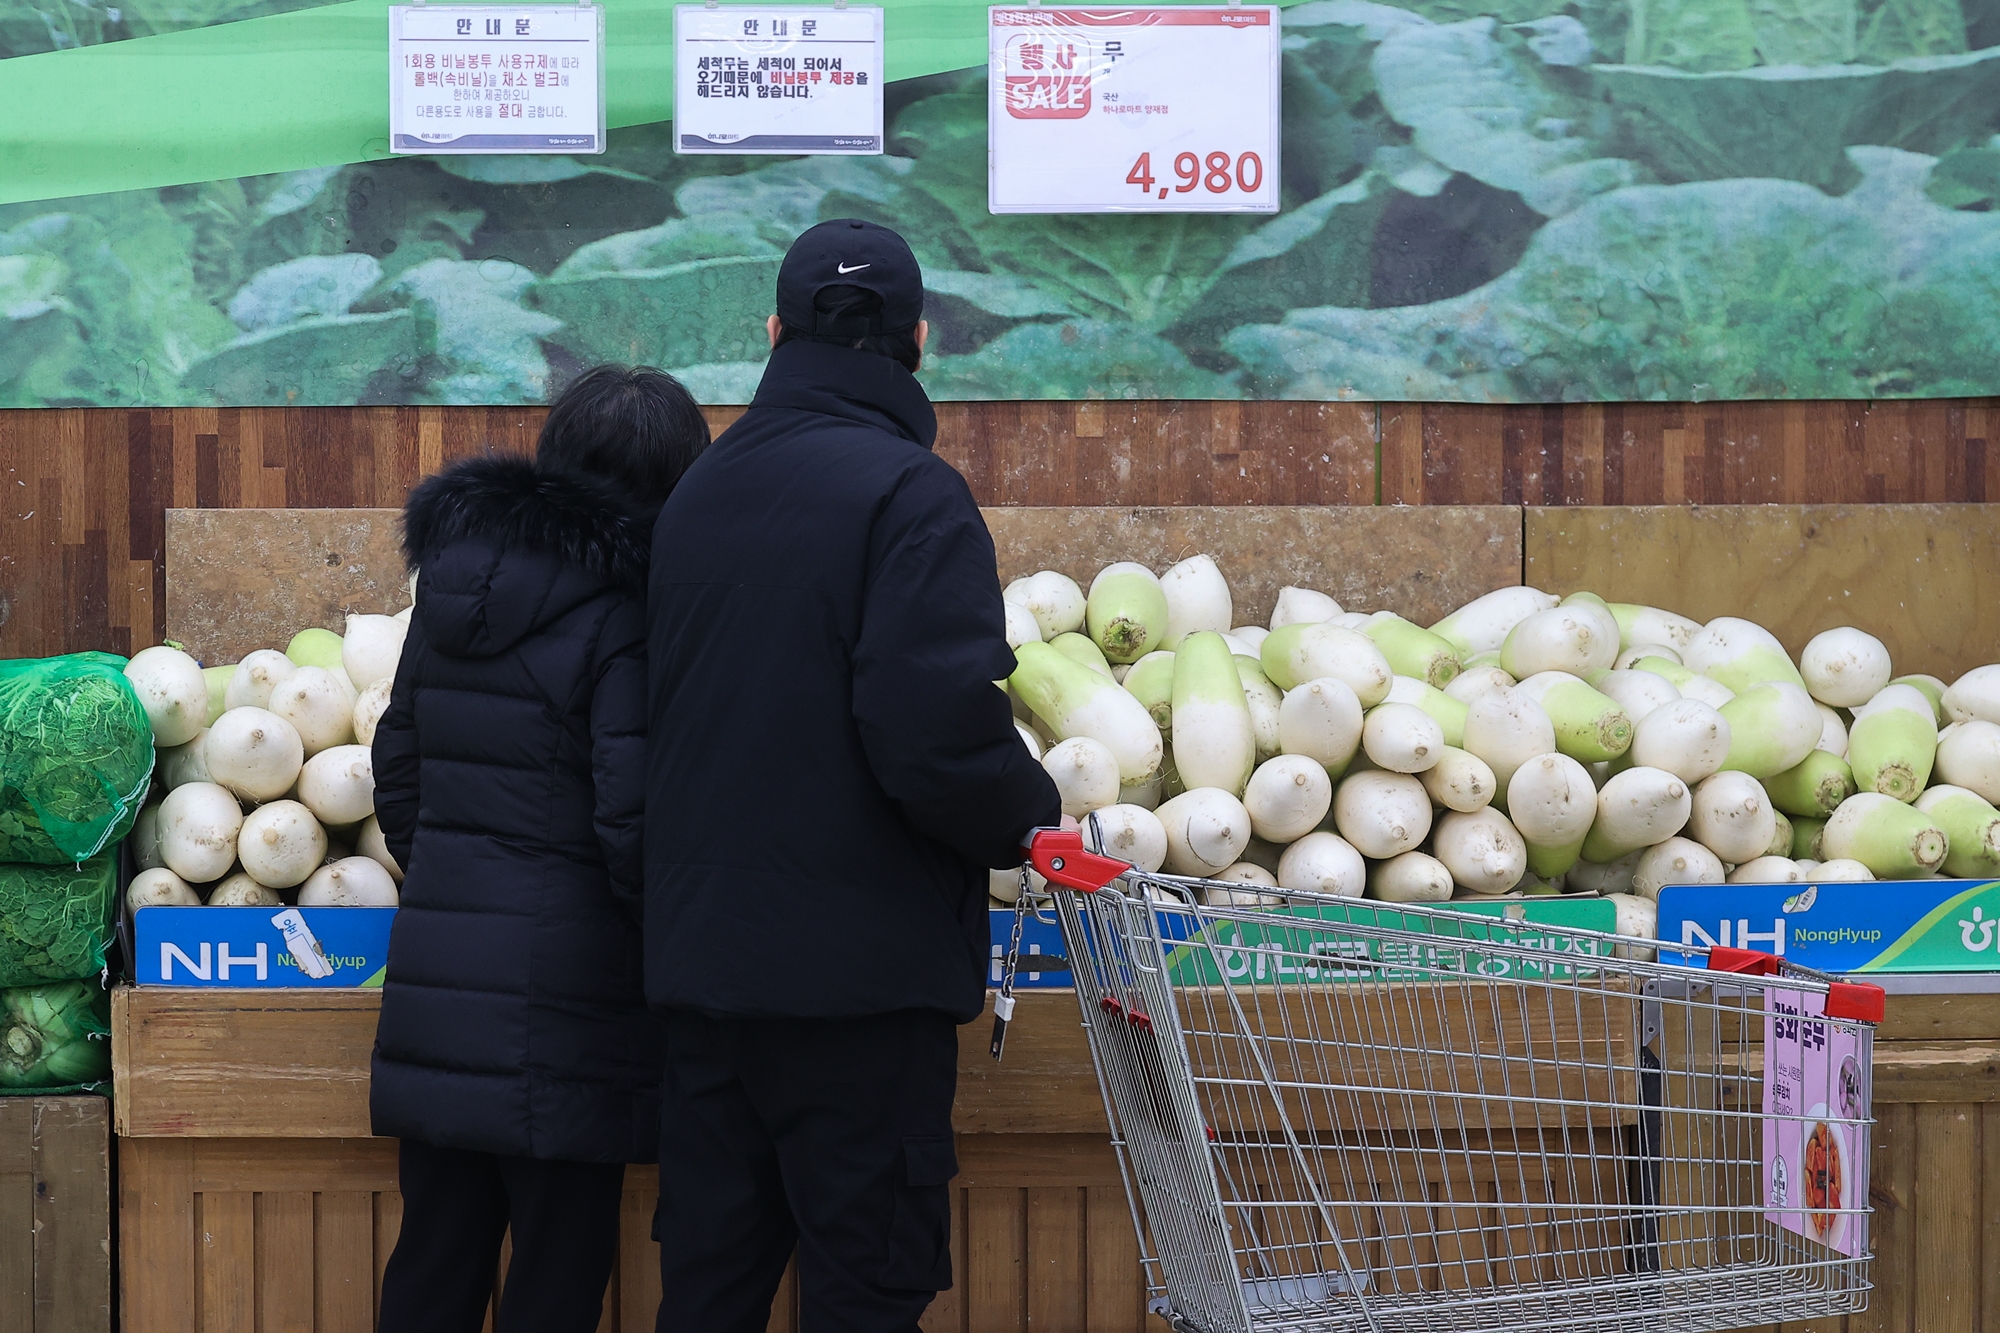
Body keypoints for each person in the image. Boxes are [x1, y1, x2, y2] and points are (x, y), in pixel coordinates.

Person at [642, 220, 1064, 1331]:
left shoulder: (696, 495)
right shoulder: (909, 495)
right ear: (919, 339)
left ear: (772, 333)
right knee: (864, 1295)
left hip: (703, 981)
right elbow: (931, 734)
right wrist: (1030, 817)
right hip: (859, 994)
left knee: (708, 1291)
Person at [369, 365, 710, 1333]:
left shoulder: (448, 589)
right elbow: (629, 819)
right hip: (570, 993)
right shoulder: (624, 610)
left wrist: (449, 875)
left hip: (439, 975)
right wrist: (659, 933)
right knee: (557, 1266)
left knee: (434, 1254)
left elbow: (398, 768)